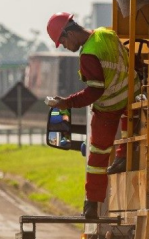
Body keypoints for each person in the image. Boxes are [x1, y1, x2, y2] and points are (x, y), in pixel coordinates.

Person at [45, 12, 140, 219]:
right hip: (132, 95)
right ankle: (122, 155)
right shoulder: (106, 34)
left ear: (68, 34)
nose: (67, 48)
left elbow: (95, 91)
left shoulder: (88, 54)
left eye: (63, 43)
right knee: (128, 124)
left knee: (97, 154)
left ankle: (92, 205)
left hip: (110, 105)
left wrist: (66, 102)